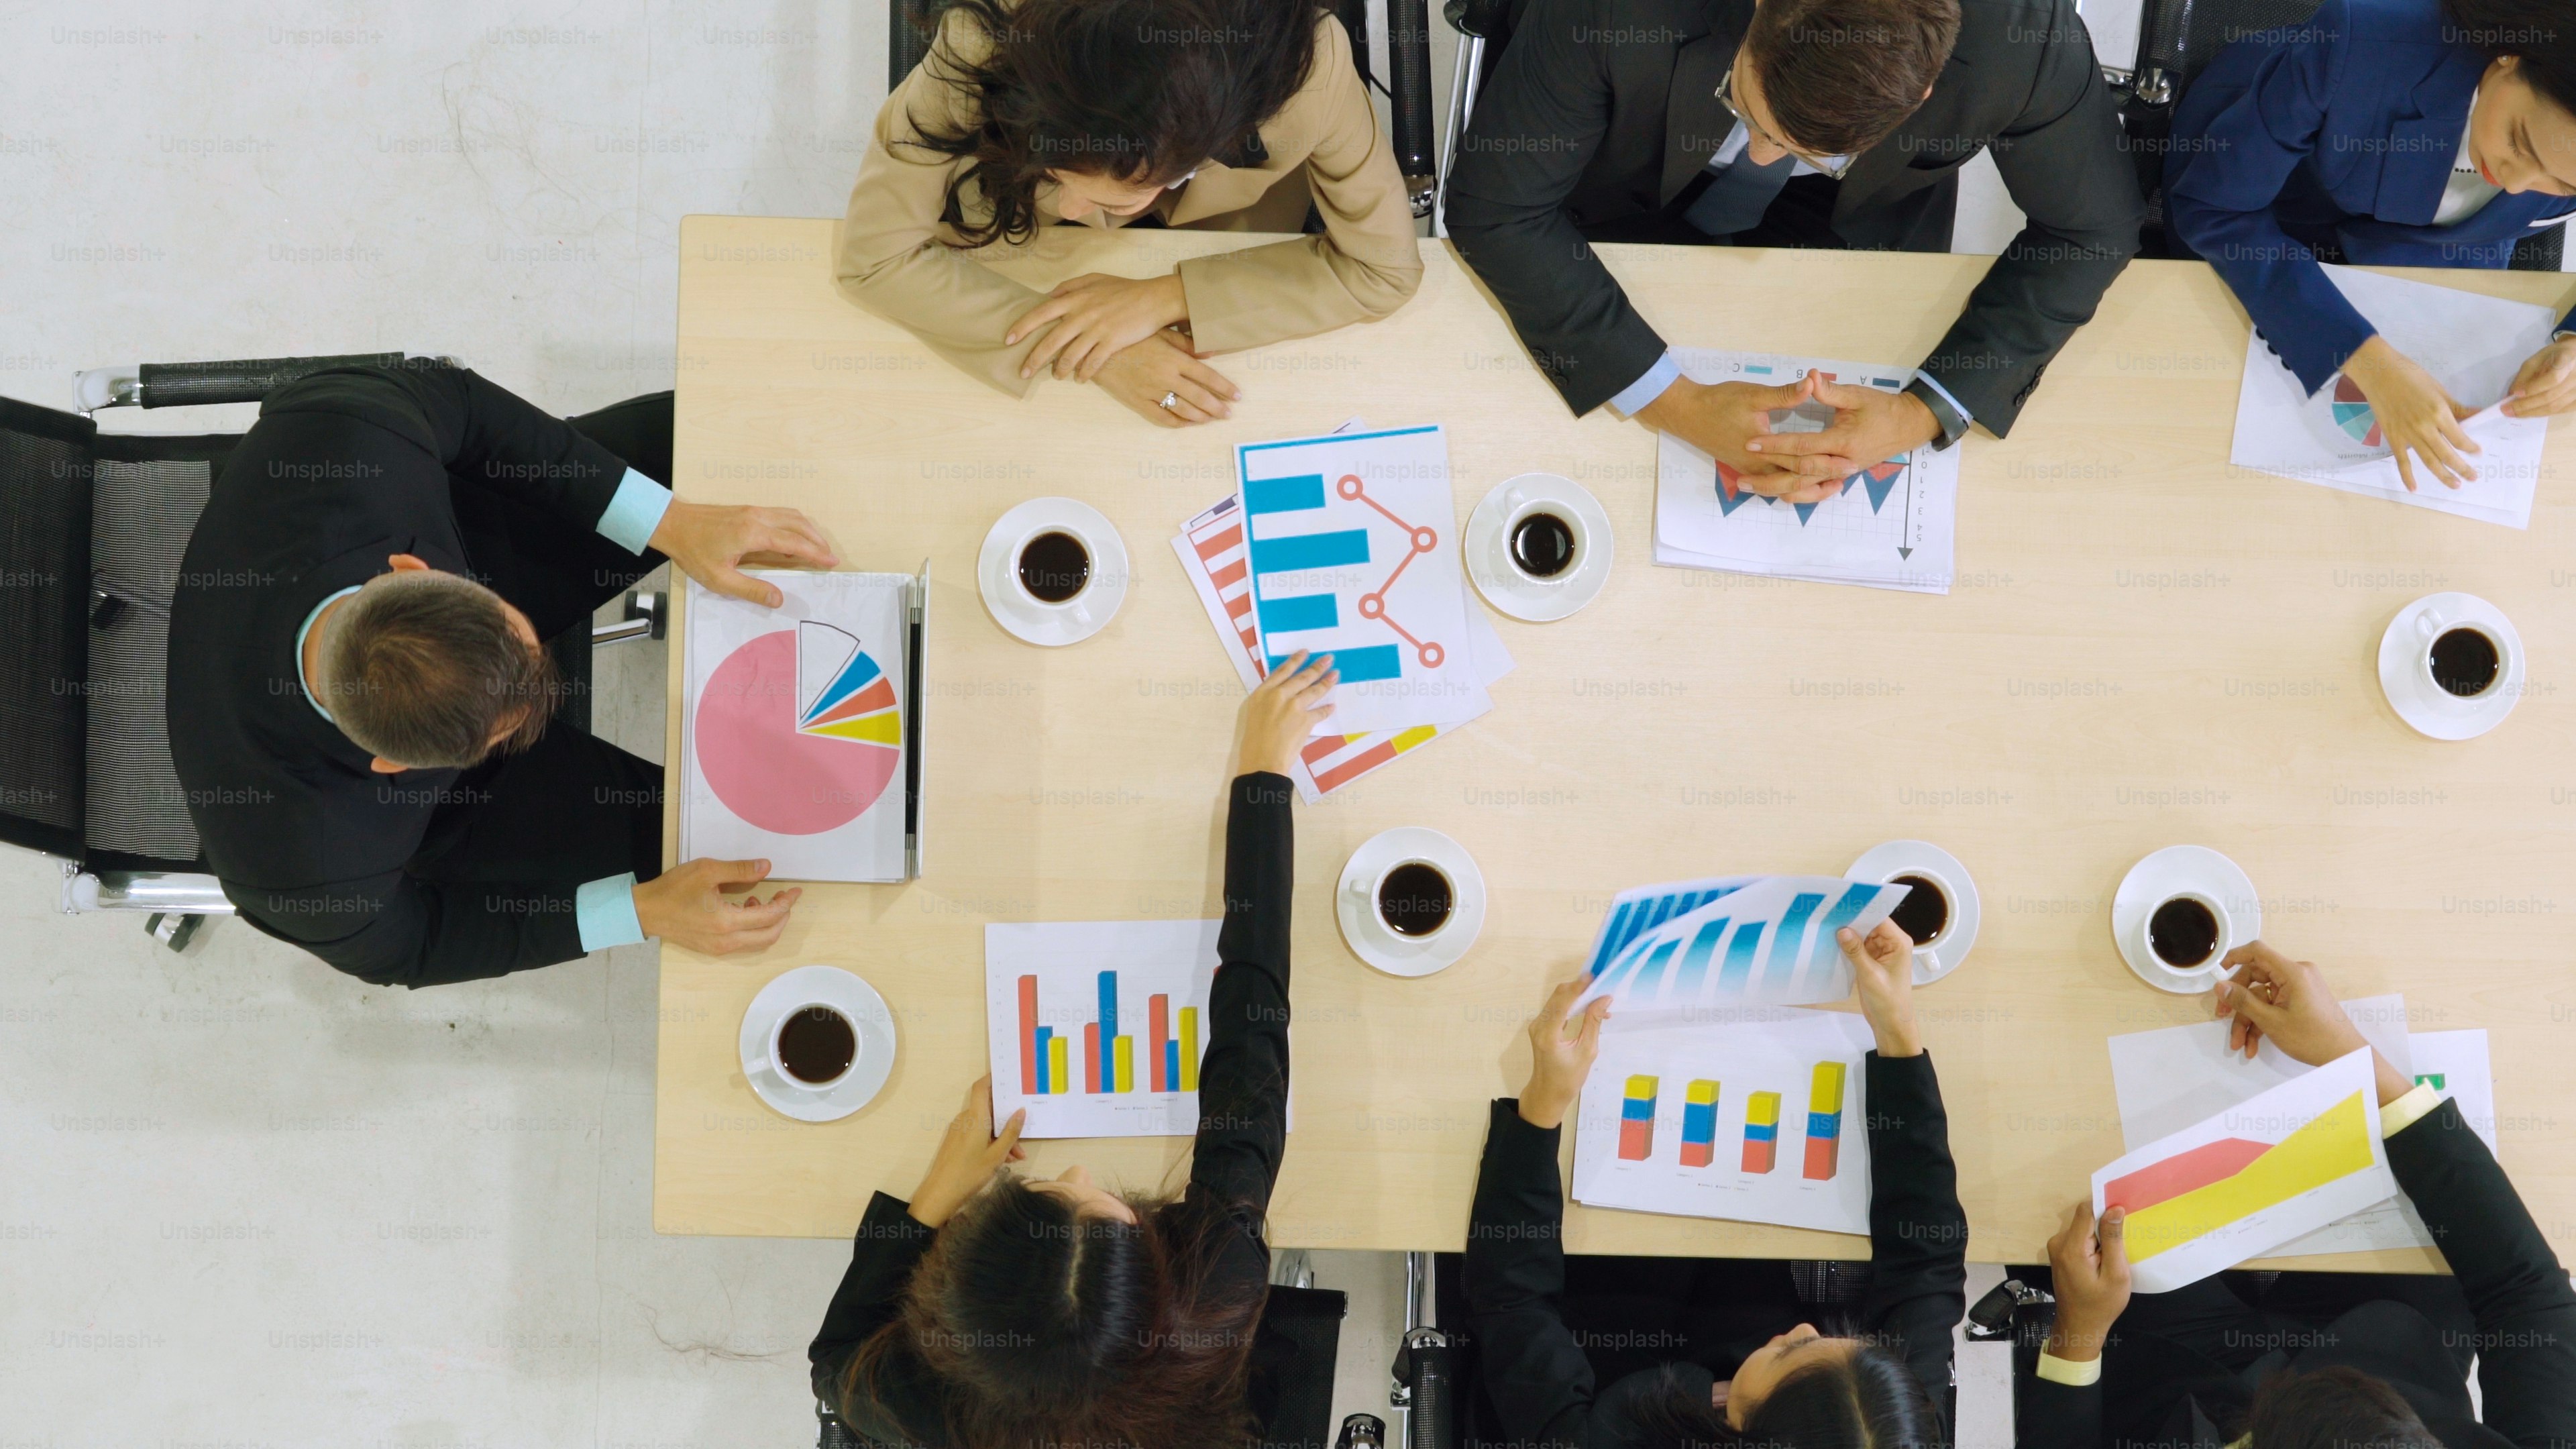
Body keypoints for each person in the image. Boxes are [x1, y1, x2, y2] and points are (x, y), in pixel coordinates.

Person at [806, 651, 1338, 1449]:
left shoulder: (913, 1401)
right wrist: (1263, 780)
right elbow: (1252, 1036)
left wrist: (934, 1193)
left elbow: (833, 1363)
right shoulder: (1212, 1292)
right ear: (1157, 1294)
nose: (1081, 1171)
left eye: (1056, 1189)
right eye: (1101, 1207)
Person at [166, 362, 836, 987]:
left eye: (520, 637)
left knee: (720, 446)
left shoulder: (350, 434)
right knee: (751, 853)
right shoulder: (304, 872)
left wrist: (671, 520)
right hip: (462, 810)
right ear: (394, 767)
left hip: (481, 534)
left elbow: (464, 407)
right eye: (503, 730)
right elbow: (415, 947)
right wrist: (638, 913)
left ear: (411, 569)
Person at [1444, 0, 2140, 500]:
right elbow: (1497, 210)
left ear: (1924, 91)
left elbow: (2092, 230)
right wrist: (1678, 405)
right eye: (1746, 111)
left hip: (1858, 229)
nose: (1761, 154)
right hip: (1622, 178)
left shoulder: (2021, 35)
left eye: (1808, 151)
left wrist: (1920, 413)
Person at [2026, 941, 2576, 1447]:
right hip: (2394, 1341)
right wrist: (2353, 1057)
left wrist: (2078, 1334)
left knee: (2070, 1202)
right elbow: (2527, 1296)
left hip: (2181, 1388)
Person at [1460, 920, 1966, 1444]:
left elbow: (1512, 1302)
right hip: (1742, 1307)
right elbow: (1926, 1267)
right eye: (1848, 1342)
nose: (1808, 1329)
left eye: (1794, 1351)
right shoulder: (1892, 1428)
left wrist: (1542, 1106)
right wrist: (1897, 1031)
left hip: (1609, 1353)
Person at [835, 0, 1424, 428]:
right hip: (1018, 246)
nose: (1073, 207)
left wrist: (1166, 298)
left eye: (1115, 198)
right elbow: (875, 257)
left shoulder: (1314, 72)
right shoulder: (983, 39)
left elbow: (1384, 269)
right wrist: (1095, 347)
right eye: (1059, 176)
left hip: (1225, 241)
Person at [2167, 0, 2576, 492]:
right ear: (2511, 55)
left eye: (2563, 185)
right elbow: (2216, 208)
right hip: (2276, 191)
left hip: (2430, 246)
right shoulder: (2357, 41)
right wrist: (2367, 361)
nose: (2516, 184)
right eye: (2519, 142)